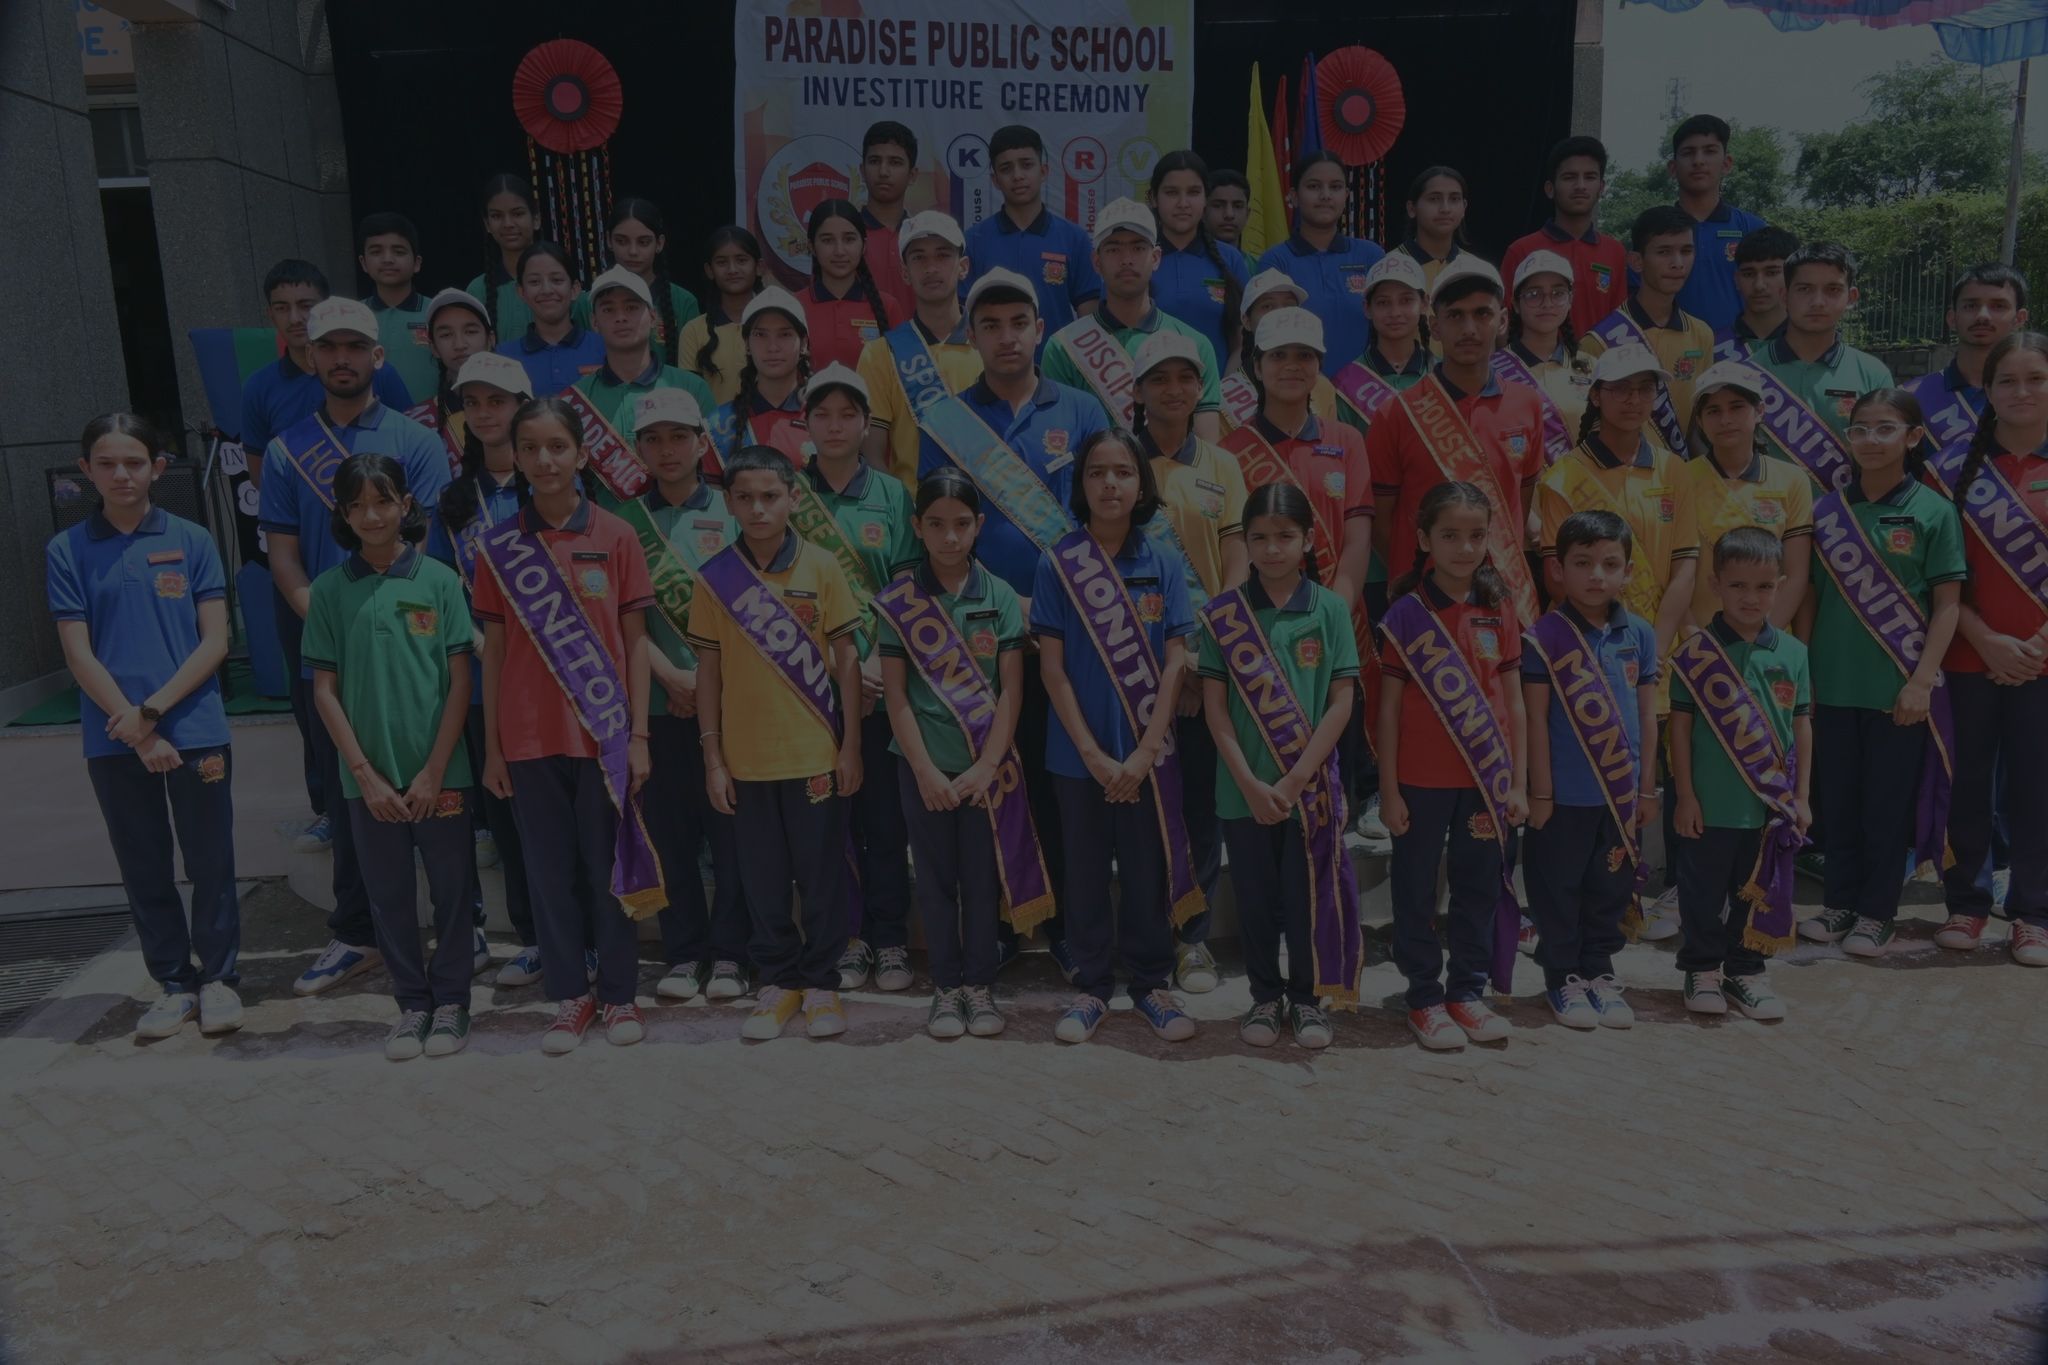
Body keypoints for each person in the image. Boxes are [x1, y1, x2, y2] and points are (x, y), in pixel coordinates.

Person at [915, 266, 1106, 979]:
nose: (1006, 337)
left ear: (1041, 329)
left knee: (1063, 790)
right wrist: (1002, 603)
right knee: (991, 783)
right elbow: (940, 521)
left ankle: (1066, 925)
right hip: (977, 638)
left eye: (1018, 323)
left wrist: (1047, 605)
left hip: (1068, 634)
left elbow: (1101, 517)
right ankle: (996, 922)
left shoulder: (1082, 411)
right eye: (990, 325)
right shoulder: (949, 421)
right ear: (971, 335)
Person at [261, 298, 453, 995]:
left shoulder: (417, 441)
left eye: (354, 346)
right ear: (310, 356)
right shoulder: (286, 449)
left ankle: (460, 926)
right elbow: (283, 554)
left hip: (412, 645)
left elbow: (428, 546)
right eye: (328, 347)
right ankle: (356, 932)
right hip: (332, 644)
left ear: (378, 355)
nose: (341, 358)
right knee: (349, 791)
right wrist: (330, 626)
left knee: (436, 782)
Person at [474, 397, 659, 1054]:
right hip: (528, 739)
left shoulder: (617, 535)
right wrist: (494, 748)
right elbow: (494, 652)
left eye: (557, 446)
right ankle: (570, 995)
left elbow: (635, 642)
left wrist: (639, 736)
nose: (544, 460)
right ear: (516, 457)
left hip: (603, 735)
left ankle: (619, 992)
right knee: (548, 873)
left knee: (609, 868)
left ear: (582, 454)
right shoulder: (498, 546)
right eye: (530, 448)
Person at [48, 414, 239, 1041]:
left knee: (211, 859)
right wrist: (135, 729)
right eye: (106, 464)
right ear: (87, 470)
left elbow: (215, 642)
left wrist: (152, 713)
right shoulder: (67, 549)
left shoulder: (192, 539)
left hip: (195, 728)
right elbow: (78, 653)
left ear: (158, 468)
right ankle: (174, 984)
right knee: (143, 863)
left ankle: (219, 980)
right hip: (114, 738)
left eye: (134, 462)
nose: (121, 475)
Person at [688, 445, 866, 1041]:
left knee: (821, 877)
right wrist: (713, 759)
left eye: (770, 496)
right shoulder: (715, 577)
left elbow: (847, 660)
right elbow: (708, 673)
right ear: (729, 503)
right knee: (761, 879)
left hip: (815, 754)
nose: (758, 508)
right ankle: (777, 980)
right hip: (745, 761)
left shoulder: (823, 567)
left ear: (794, 498)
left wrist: (851, 746)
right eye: (744, 498)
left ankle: (821, 982)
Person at [1032, 430, 1203, 1044]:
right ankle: (1092, 987)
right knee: (1082, 872)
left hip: (1148, 755)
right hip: (1077, 758)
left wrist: (1145, 751)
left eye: (1123, 472)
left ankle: (1152, 981)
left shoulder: (1162, 559)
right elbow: (1051, 669)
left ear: (1141, 483)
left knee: (1145, 869)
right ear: (1080, 484)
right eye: (1097, 472)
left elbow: (1176, 661)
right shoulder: (1058, 562)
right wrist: (1093, 754)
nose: (1110, 484)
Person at [305, 454, 476, 1061]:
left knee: (454, 891)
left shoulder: (440, 580)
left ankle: (452, 1001)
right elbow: (324, 691)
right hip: (367, 782)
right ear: (343, 514)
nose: (372, 516)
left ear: (405, 504)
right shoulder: (329, 590)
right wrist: (364, 774)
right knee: (389, 895)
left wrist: (434, 769)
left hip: (442, 773)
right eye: (357, 506)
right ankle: (412, 1005)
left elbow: (460, 681)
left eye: (383, 502)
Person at [877, 470, 1045, 1039]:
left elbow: (1012, 689)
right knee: (933, 880)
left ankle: (979, 985)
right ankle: (946, 987)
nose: (949, 537)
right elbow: (896, 695)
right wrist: (924, 769)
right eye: (936, 525)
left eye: (961, 524)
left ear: (979, 526)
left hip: (984, 769)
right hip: (921, 768)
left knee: (981, 880)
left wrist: (987, 765)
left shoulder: (999, 595)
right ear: (917, 527)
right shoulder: (901, 601)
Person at [1797, 389, 1965, 957]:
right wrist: (1805, 671)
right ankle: (1839, 903)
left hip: (1898, 688)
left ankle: (1876, 912)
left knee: (1886, 807)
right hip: (1832, 685)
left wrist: (1921, 681)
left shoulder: (1934, 511)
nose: (1871, 439)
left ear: (1913, 437)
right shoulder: (1825, 510)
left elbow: (1948, 604)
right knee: (1838, 802)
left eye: (1885, 428)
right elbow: (1810, 598)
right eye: (1861, 428)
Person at [1200, 481, 1359, 1048]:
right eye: (1260, 537)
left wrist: (1293, 780)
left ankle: (1308, 1000)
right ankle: (1265, 997)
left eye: (1285, 536)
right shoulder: (1223, 615)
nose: (1272, 549)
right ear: (1244, 542)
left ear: (1308, 540)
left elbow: (1341, 702)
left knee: (1307, 896)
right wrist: (1248, 782)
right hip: (1240, 791)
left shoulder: (1330, 609)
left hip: (1308, 792)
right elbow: (1215, 708)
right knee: (1255, 900)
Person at [1377, 482, 1528, 1050]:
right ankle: (1423, 996)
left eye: (1475, 535)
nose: (1464, 547)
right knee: (1415, 891)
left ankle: (1467, 992)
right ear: (1424, 539)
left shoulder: (1499, 608)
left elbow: (1514, 702)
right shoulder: (1406, 615)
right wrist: (1388, 790)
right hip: (1419, 781)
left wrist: (1519, 782)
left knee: (1478, 889)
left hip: (1487, 782)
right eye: (1449, 535)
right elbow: (1388, 711)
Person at [616, 387, 752, 1004]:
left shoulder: (735, 508)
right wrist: (672, 678)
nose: (667, 450)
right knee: (669, 835)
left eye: (679, 437)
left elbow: (753, 609)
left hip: (730, 703)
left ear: (703, 443)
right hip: (656, 704)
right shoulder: (623, 524)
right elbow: (621, 623)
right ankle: (685, 951)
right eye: (653, 439)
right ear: (638, 449)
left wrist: (706, 684)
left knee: (732, 834)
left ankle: (731, 953)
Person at [793, 365, 918, 992]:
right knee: (830, 822)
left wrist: (874, 666)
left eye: (848, 414)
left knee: (885, 820)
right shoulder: (786, 493)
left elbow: (908, 590)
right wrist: (829, 667)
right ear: (806, 423)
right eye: (823, 414)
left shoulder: (892, 495)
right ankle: (849, 936)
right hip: (807, 686)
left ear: (867, 423)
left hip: (878, 684)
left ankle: (891, 937)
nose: (835, 426)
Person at [1925, 335, 2048, 966]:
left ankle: (2034, 913)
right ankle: (1967, 904)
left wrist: (2036, 646)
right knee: (1966, 785)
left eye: (2036, 379)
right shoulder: (1948, 469)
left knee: (2037, 789)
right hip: (1968, 657)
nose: (2022, 392)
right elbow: (1936, 577)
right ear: (1988, 389)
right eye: (2008, 381)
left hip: (2041, 664)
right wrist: (1986, 640)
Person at [1132, 330, 1248, 993]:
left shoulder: (1223, 465)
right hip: (1132, 665)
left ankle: (1193, 939)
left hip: (1204, 667)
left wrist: (1206, 656)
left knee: (1199, 807)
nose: (1173, 389)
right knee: (1141, 808)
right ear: (1137, 391)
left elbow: (1235, 564)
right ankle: (1148, 934)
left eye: (1185, 377)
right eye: (1159, 378)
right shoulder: (1118, 460)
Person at [426, 352, 545, 988]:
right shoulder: (453, 502)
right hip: (484, 682)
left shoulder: (555, 486)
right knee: (508, 816)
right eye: (472, 403)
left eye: (497, 401)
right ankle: (533, 937)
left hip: (559, 678)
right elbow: (441, 589)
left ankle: (579, 931)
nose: (484, 413)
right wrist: (479, 641)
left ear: (524, 406)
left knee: (564, 814)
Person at [1521, 509, 1660, 1029]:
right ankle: (1562, 977)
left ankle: (1599, 970)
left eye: (1609, 564)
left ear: (1628, 572)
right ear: (1558, 569)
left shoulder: (1639, 634)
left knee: (1610, 887)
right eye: (1582, 563)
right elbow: (1535, 719)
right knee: (1558, 888)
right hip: (1563, 796)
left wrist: (1647, 790)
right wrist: (1540, 791)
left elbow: (1647, 715)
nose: (1596, 575)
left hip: (1620, 796)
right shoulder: (1543, 635)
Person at [1669, 528, 1813, 1021]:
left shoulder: (1794, 653)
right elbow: (1680, 731)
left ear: (1780, 586)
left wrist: (1802, 797)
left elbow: (1801, 727)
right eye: (1737, 586)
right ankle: (1701, 968)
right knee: (1702, 894)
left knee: (1759, 892)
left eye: (1764, 587)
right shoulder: (1695, 654)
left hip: (1769, 808)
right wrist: (1685, 795)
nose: (1751, 598)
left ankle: (1746, 971)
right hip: (1709, 806)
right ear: (1715, 585)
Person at [1368, 260, 1547, 630]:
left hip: (1503, 599)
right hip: (1421, 608)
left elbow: (1518, 502)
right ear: (1434, 326)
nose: (1469, 329)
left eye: (1482, 314)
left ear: (1502, 321)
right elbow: (1382, 523)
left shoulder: (1527, 405)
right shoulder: (1397, 412)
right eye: (1455, 315)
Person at [1041, 197, 1224, 442]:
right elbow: (1061, 442)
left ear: (1156, 258)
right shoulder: (1063, 347)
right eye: (1113, 249)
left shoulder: (1196, 345)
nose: (1126, 259)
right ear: (1096, 262)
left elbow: (1207, 450)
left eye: (1138, 248)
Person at [239, 259, 412, 469]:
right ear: (271, 315)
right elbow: (261, 475)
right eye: (282, 308)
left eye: (306, 306)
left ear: (327, 308)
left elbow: (410, 446)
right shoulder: (258, 387)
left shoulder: (379, 372)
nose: (295, 318)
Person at [1749, 243, 1894, 483]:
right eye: (1804, 289)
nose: (1817, 301)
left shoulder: (1873, 374)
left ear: (1852, 297)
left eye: (1833, 289)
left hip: (1846, 507)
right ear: (1784, 296)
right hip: (1766, 506)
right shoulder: (1747, 373)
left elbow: (1886, 461)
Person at [1683, 361, 1812, 628]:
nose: (1725, 420)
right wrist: (1695, 638)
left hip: (1770, 638)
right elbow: (1673, 574)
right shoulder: (1680, 478)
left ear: (1760, 411)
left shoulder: (1792, 479)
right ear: (1699, 420)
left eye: (1737, 407)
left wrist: (1764, 639)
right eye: (1713, 411)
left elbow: (1796, 576)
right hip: (1698, 639)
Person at [857, 210, 981, 486]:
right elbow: (872, 455)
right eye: (919, 257)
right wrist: (900, 507)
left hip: (986, 505)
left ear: (963, 266)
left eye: (942, 255)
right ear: (905, 272)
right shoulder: (880, 354)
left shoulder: (989, 345)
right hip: (911, 509)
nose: (931, 268)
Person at [1579, 207, 1716, 452]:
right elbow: (1586, 423)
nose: (1677, 263)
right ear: (1636, 261)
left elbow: (1697, 426)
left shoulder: (1702, 334)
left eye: (1686, 251)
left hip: (1679, 470)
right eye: (1664, 252)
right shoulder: (1598, 341)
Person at [962, 125, 1102, 353]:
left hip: (1058, 369)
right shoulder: (973, 241)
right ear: (995, 180)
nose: (1017, 176)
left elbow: (1090, 318)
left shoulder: (1074, 239)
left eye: (1026, 165)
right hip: (991, 367)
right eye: (1006, 169)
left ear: (1043, 171)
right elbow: (964, 317)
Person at [1255, 151, 1387, 377]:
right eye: (1314, 187)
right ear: (1294, 196)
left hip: (1364, 388)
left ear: (1346, 195)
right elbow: (1270, 337)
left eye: (1335, 187)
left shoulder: (1370, 256)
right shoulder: (1276, 261)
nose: (1325, 195)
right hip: (1298, 385)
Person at [570, 265, 717, 461]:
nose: (620, 318)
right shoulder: (578, 399)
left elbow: (713, 466)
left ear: (653, 317)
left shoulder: (692, 387)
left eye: (631, 307)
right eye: (608, 309)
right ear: (594, 322)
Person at [1501, 136, 1629, 337]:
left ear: (1602, 187)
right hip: (1534, 358)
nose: (1580, 185)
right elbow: (1503, 324)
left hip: (1599, 358)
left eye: (1590, 177)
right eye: (1569, 177)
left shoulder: (1615, 252)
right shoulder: (1522, 250)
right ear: (1550, 189)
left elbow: (1619, 323)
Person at [1903, 263, 2031, 450]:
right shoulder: (1911, 398)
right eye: (1971, 306)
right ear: (1952, 318)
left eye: (1998, 306)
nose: (1983, 316)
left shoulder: (2038, 395)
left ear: (2019, 318)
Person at [1148, 151, 1250, 371]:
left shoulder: (1230, 259)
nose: (1183, 203)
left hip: (1219, 391)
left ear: (1206, 199)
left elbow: (1243, 343)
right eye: (1172, 193)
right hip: (1147, 390)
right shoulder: (1137, 258)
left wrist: (1223, 388)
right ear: (1154, 198)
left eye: (1193, 192)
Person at [1668, 115, 1770, 333]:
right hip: (1668, 351)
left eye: (1709, 151)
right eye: (1688, 152)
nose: (1698, 161)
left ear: (1726, 163)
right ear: (1673, 168)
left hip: (1741, 350)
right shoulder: (1654, 231)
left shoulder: (1753, 229)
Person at [466, 173, 589, 344]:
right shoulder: (478, 290)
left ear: (536, 218)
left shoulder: (563, 282)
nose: (508, 224)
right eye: (496, 216)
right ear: (487, 224)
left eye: (518, 214)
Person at [705, 286, 814, 480]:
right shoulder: (718, 424)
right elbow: (715, 496)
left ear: (804, 343)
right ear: (746, 344)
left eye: (785, 334)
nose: (772, 347)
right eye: (760, 335)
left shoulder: (822, 416)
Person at [803, 198, 911, 372]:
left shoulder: (888, 306)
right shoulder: (794, 304)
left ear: (864, 246)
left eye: (849, 239)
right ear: (811, 247)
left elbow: (903, 373)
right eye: (827, 240)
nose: (839, 251)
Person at [1227, 269, 1342, 432]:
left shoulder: (1322, 389)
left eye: (1288, 305)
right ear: (1246, 320)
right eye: (1267, 306)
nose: (1280, 313)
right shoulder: (1224, 397)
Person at [1331, 254, 1431, 435]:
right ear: (1367, 308)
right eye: (1383, 302)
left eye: (1406, 300)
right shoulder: (1345, 383)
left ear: (1424, 303)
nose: (1395, 312)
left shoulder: (1442, 373)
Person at [1502, 250, 1594, 443]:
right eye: (1533, 294)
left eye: (1558, 293)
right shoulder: (1493, 369)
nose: (1547, 303)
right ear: (1516, 304)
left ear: (1570, 300)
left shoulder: (1592, 367)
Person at [492, 241, 603, 397]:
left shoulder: (604, 348)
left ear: (574, 289)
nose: (546, 290)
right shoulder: (504, 357)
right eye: (534, 282)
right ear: (521, 292)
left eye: (556, 280)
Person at [605, 197, 704, 366]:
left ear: (659, 243)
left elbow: (692, 370)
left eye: (643, 242)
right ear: (608, 240)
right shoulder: (588, 303)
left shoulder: (684, 302)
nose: (633, 251)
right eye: (622, 241)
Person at [407, 288, 499, 471]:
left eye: (470, 331)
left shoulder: (518, 409)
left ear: (490, 340)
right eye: (446, 335)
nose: (460, 344)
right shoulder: (415, 422)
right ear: (434, 348)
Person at [677, 226, 765, 407]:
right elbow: (688, 400)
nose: (732, 269)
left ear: (759, 267)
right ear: (709, 270)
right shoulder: (693, 331)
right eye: (722, 262)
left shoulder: (777, 325)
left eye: (741, 260)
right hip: (712, 425)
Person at [357, 211, 439, 403]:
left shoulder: (437, 311)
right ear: (363, 263)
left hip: (431, 418)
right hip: (368, 418)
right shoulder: (353, 316)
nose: (387, 259)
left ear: (417, 263)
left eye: (399, 251)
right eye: (376, 251)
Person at [1713, 227, 1798, 361]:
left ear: (1793, 277)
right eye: (1748, 274)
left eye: (1771, 273)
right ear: (1736, 280)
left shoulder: (1813, 344)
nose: (1759, 285)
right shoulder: (1712, 346)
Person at [858, 120, 917, 302]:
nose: (883, 172)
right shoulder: (846, 237)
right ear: (862, 171)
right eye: (875, 161)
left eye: (895, 162)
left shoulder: (922, 237)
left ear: (912, 175)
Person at [1394, 166, 1472, 287]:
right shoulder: (1389, 267)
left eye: (1454, 199)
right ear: (1412, 208)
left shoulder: (1475, 269)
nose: (1445, 209)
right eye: (1434, 199)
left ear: (1464, 208)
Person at [1204, 169, 1250, 248]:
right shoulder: (1185, 256)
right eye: (1218, 205)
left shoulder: (1260, 257)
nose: (1229, 214)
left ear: (1247, 214)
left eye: (1237, 206)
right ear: (1203, 212)